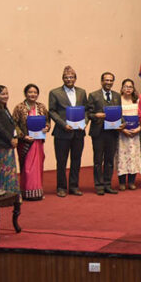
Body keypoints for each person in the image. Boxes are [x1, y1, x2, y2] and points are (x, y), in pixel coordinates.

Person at [48, 65, 87, 197]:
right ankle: (61, 187)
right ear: (62, 78)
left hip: (78, 132)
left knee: (76, 160)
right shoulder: (54, 92)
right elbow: (52, 111)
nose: (69, 79)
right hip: (62, 132)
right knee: (61, 161)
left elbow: (86, 110)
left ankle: (74, 186)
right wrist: (63, 124)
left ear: (75, 78)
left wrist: (85, 123)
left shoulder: (82, 92)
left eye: (71, 77)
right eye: (66, 77)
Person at [12, 83, 49, 200]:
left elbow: (47, 121)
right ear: (25, 94)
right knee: (27, 168)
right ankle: (26, 192)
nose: (33, 94)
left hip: (38, 142)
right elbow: (14, 124)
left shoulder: (41, 107)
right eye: (30, 92)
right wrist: (23, 136)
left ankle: (37, 192)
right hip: (26, 143)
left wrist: (47, 128)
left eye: (35, 92)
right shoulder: (19, 107)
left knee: (37, 167)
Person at [86, 72, 121, 195]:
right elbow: (88, 113)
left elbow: (119, 113)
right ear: (101, 81)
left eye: (111, 80)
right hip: (98, 132)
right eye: (106, 80)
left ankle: (107, 184)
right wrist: (96, 115)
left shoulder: (117, 96)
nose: (109, 82)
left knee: (110, 160)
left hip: (112, 132)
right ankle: (99, 185)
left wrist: (122, 124)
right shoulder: (93, 95)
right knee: (98, 160)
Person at [116, 78, 141, 191]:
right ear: (122, 88)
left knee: (133, 156)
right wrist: (123, 130)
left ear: (133, 89)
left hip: (135, 134)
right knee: (122, 157)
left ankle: (131, 182)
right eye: (126, 87)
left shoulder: (137, 101)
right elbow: (115, 117)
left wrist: (139, 129)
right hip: (122, 134)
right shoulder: (118, 101)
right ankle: (121, 182)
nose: (128, 89)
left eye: (130, 87)